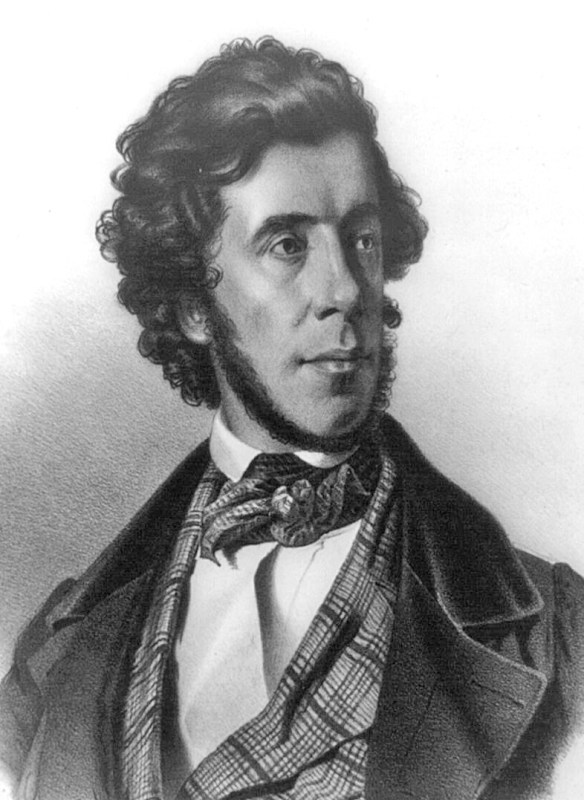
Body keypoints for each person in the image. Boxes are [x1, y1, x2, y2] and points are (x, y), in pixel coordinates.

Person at [1, 36, 583, 800]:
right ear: (193, 307)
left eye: (362, 239)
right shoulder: (50, 664)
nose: (344, 289)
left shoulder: (562, 641)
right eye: (286, 245)